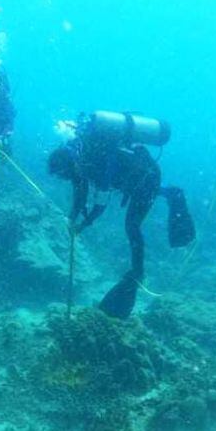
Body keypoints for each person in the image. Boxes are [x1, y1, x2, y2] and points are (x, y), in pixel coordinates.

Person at [47, 111, 194, 319]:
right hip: (131, 179)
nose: (70, 178)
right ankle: (168, 192)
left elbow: (101, 204)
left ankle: (137, 273)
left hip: (147, 179)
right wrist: (71, 219)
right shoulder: (78, 159)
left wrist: (83, 225)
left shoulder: (98, 159)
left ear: (70, 165)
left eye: (67, 175)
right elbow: (80, 193)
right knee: (134, 207)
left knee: (132, 226)